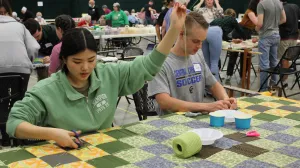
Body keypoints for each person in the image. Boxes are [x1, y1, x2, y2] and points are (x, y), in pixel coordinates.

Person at [6, 3, 188, 149]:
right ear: (64, 60)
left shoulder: (109, 74)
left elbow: (149, 64)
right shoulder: (47, 90)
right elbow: (14, 123)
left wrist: (173, 30)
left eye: (91, 60)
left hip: (106, 153)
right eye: (77, 62)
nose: (85, 68)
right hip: (66, 160)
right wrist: (54, 134)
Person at [148, 12, 237, 116]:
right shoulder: (160, 61)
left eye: (202, 41)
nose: (199, 46)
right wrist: (207, 106)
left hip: (197, 119)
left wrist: (226, 101)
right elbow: (164, 102)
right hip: (172, 123)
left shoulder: (197, 55)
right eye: (195, 41)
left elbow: (213, 84)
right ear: (181, 34)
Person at [0, 0, 40, 146]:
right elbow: (34, 47)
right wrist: (28, 60)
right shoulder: (19, 26)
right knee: (18, 102)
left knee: (1, 102)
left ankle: (4, 137)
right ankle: (18, 136)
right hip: (21, 70)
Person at [225, 0, 260, 83]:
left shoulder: (256, 13)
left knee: (246, 55)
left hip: (248, 32)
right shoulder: (250, 12)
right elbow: (257, 23)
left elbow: (256, 26)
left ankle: (243, 75)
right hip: (240, 31)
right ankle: (228, 75)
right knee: (234, 54)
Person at [256, 0, 286, 91]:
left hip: (265, 36)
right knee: (274, 62)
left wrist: (257, 28)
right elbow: (284, 19)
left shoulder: (262, 4)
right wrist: (274, 24)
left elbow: (260, 23)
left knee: (264, 64)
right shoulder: (279, 3)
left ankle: (263, 89)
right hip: (276, 35)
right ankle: (273, 86)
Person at [278, 0, 300, 87]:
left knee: (284, 59)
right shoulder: (295, 6)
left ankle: (284, 80)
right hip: (294, 37)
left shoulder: (280, 8)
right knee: (289, 58)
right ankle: (286, 77)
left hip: (284, 37)